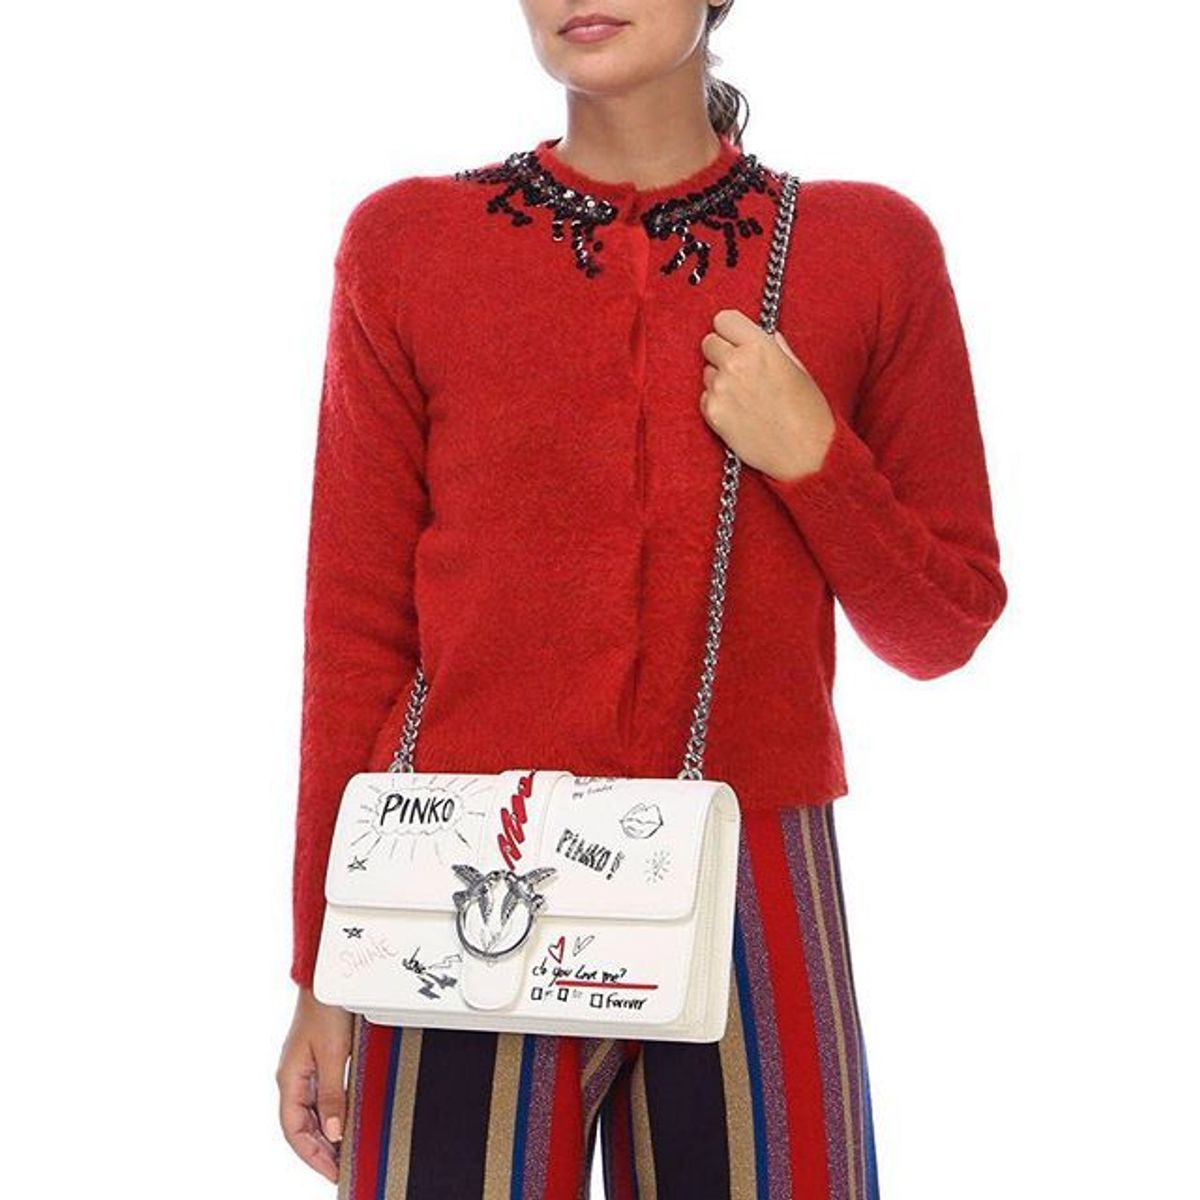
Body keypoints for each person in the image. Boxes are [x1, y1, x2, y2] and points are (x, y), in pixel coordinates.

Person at [275, 1, 1008, 1196]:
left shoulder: (867, 248)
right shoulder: (408, 244)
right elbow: (352, 634)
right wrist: (321, 959)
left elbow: (945, 624)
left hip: (751, 873)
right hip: (458, 881)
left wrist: (814, 458)